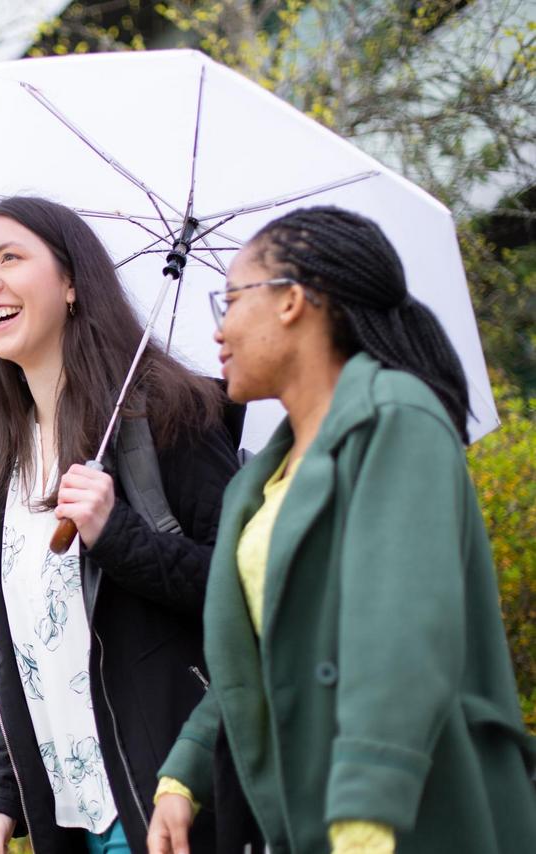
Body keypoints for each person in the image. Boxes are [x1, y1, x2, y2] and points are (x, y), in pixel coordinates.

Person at [148, 206, 536, 854]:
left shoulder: (396, 419)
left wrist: (364, 815)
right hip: (312, 819)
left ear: (292, 302)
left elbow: (402, 634)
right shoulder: (257, 482)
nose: (217, 331)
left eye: (232, 298)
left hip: (410, 813)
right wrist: (182, 775)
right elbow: (270, 656)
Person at [0, 196, 242, 854]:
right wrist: (0, 796)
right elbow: (27, 652)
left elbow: (244, 590)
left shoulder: (173, 416)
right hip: (70, 820)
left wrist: (118, 536)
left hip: (169, 799)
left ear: (70, 283)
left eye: (10, 257)